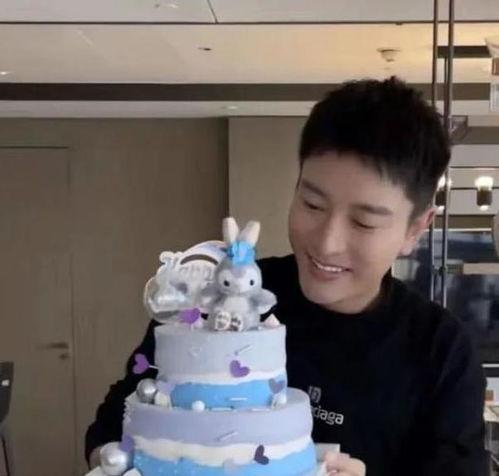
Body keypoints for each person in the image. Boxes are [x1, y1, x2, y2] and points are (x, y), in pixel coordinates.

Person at [86, 77, 487, 476]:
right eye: (312, 204)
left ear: (415, 230)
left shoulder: (441, 351)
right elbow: (110, 428)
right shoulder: (216, 298)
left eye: (364, 223)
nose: (327, 243)